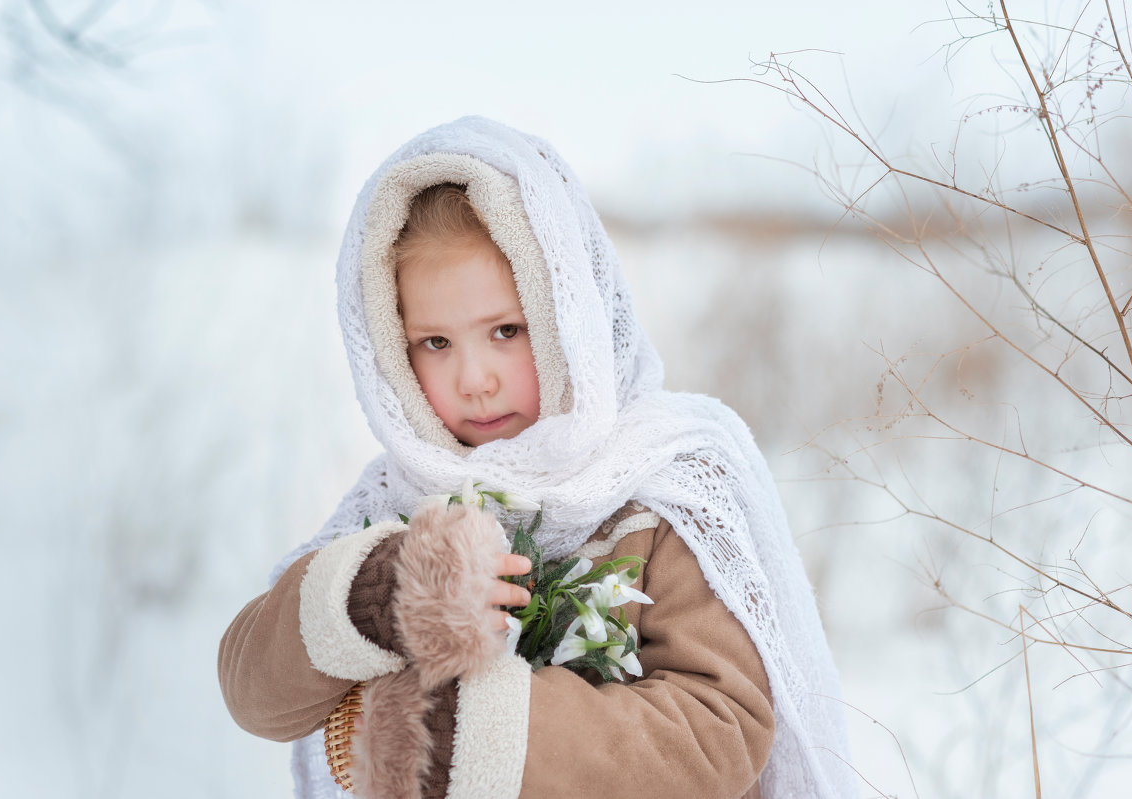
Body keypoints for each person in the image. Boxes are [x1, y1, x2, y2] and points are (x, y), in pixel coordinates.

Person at [218, 117, 855, 799]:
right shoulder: (398, 504)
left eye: (505, 331)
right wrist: (371, 596)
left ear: (568, 316)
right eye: (435, 342)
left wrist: (476, 736)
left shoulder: (661, 483)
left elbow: (719, 727)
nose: (474, 377)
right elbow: (253, 690)